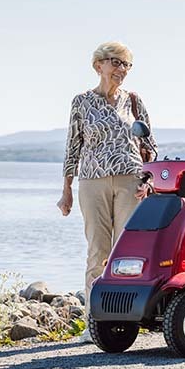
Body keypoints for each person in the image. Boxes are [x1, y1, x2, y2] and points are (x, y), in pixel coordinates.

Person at [57, 41, 157, 343]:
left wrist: (148, 180)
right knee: (98, 252)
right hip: (92, 183)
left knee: (125, 253)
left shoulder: (134, 101)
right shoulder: (82, 102)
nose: (121, 69)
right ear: (98, 65)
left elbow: (150, 146)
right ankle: (94, 323)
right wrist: (66, 189)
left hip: (130, 183)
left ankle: (124, 321)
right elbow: (73, 147)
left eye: (126, 64)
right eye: (116, 62)